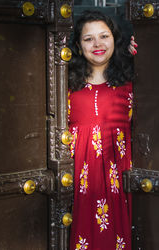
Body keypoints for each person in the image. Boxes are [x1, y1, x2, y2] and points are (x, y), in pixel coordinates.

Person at [68, 10, 137, 250]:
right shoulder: (63, 85)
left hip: (120, 182)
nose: (97, 44)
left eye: (104, 36)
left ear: (114, 39)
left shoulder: (132, 84)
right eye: (88, 39)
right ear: (78, 45)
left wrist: (145, 54)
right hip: (78, 184)